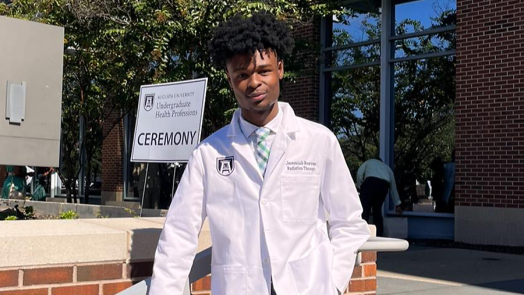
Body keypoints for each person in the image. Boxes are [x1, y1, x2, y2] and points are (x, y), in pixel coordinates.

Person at [149, 12, 370, 295]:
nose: (253, 82)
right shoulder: (207, 155)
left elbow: (349, 222)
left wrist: (334, 285)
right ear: (230, 80)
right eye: (241, 75)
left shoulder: (319, 142)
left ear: (279, 68)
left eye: (263, 70)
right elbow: (179, 235)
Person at [356, 158, 402, 236]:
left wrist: (360, 186)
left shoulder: (369, 162)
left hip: (369, 183)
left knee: (364, 210)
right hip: (383, 186)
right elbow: (393, 187)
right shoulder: (387, 168)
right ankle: (378, 234)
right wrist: (398, 204)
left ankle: (362, 233)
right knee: (377, 210)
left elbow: (359, 173)